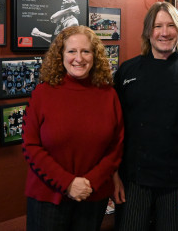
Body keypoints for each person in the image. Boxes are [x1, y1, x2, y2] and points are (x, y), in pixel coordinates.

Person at [113, 2, 178, 231]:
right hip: (133, 180)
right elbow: (114, 130)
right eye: (158, 26)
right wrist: (114, 176)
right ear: (148, 31)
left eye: (170, 26)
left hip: (177, 183)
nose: (164, 33)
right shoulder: (127, 72)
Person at [22, 26, 124, 231]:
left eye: (86, 51)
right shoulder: (43, 93)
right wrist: (68, 183)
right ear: (61, 55)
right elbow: (30, 146)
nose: (79, 58)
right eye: (72, 51)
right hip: (48, 197)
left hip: (93, 196)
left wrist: (90, 183)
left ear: (95, 55)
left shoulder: (108, 95)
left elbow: (116, 147)